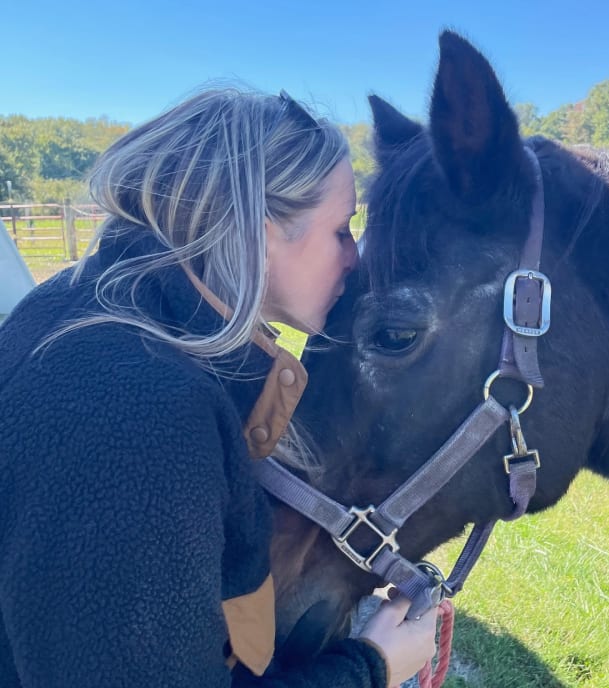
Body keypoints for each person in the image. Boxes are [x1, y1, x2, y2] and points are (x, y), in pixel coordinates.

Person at [0, 87, 437, 687]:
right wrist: (371, 668)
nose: (355, 259)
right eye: (342, 229)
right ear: (260, 231)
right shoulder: (138, 411)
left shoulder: (88, 307)